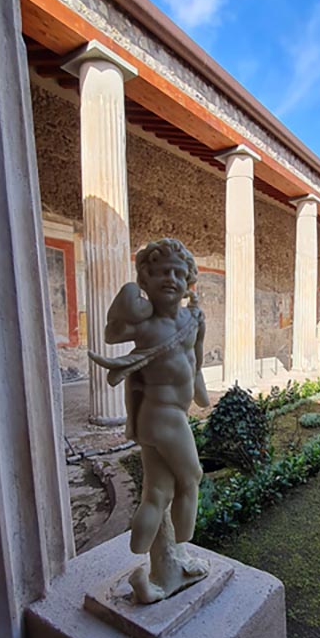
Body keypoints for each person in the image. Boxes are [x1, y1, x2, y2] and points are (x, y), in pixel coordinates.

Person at [90, 238, 210, 603]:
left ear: (188, 281)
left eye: (178, 273)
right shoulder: (145, 327)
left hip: (163, 418)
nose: (170, 279)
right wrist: (128, 294)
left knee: (158, 492)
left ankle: (152, 564)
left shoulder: (193, 320)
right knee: (192, 477)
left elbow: (195, 363)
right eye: (160, 273)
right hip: (164, 415)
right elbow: (111, 332)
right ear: (146, 280)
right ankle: (181, 549)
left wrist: (202, 397)